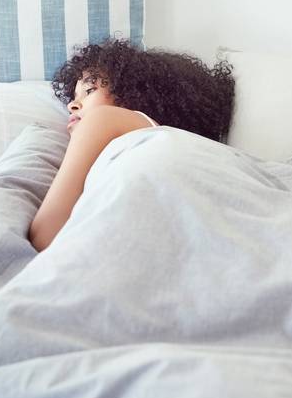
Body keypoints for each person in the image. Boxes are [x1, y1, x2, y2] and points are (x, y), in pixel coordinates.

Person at [29, 39, 236, 251]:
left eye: (89, 90)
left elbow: (45, 236)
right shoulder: (152, 137)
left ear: (132, 93)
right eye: (73, 97)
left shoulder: (103, 118)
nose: (72, 105)